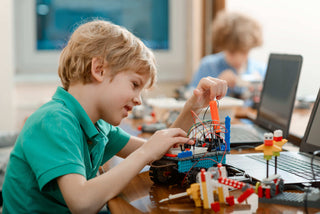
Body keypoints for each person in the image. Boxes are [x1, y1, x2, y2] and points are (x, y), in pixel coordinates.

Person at [2, 20, 227, 213]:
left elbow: (159, 153)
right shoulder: (54, 121)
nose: (139, 99)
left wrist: (194, 106)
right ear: (99, 69)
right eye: (134, 84)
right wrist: (146, 152)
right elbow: (81, 204)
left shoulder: (97, 124)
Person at [190, 11, 266, 99]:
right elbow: (191, 99)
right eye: (232, 52)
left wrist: (260, 91)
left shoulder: (261, 70)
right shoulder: (208, 66)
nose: (239, 59)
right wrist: (215, 87)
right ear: (224, 47)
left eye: (244, 52)